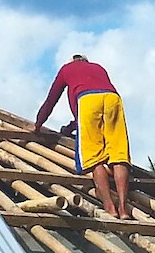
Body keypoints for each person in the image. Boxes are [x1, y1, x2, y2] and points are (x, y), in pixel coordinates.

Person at [35, 52, 131, 215]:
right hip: (113, 99)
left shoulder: (67, 69)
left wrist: (38, 124)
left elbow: (52, 100)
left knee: (94, 156)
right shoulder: (98, 68)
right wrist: (70, 127)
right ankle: (123, 207)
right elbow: (91, 109)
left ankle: (109, 206)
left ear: (71, 61)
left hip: (86, 100)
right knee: (118, 153)